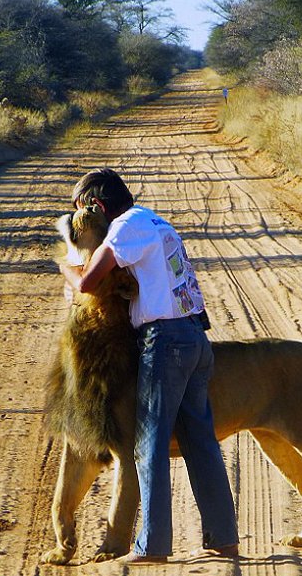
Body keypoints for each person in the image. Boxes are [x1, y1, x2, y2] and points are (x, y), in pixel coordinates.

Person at [59, 168, 239, 564]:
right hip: (195, 338)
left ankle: (152, 545)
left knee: (148, 446)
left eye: (83, 212)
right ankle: (223, 539)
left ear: (97, 206)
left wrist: (65, 266)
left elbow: (88, 282)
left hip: (166, 343)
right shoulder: (156, 220)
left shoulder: (126, 226)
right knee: (201, 443)